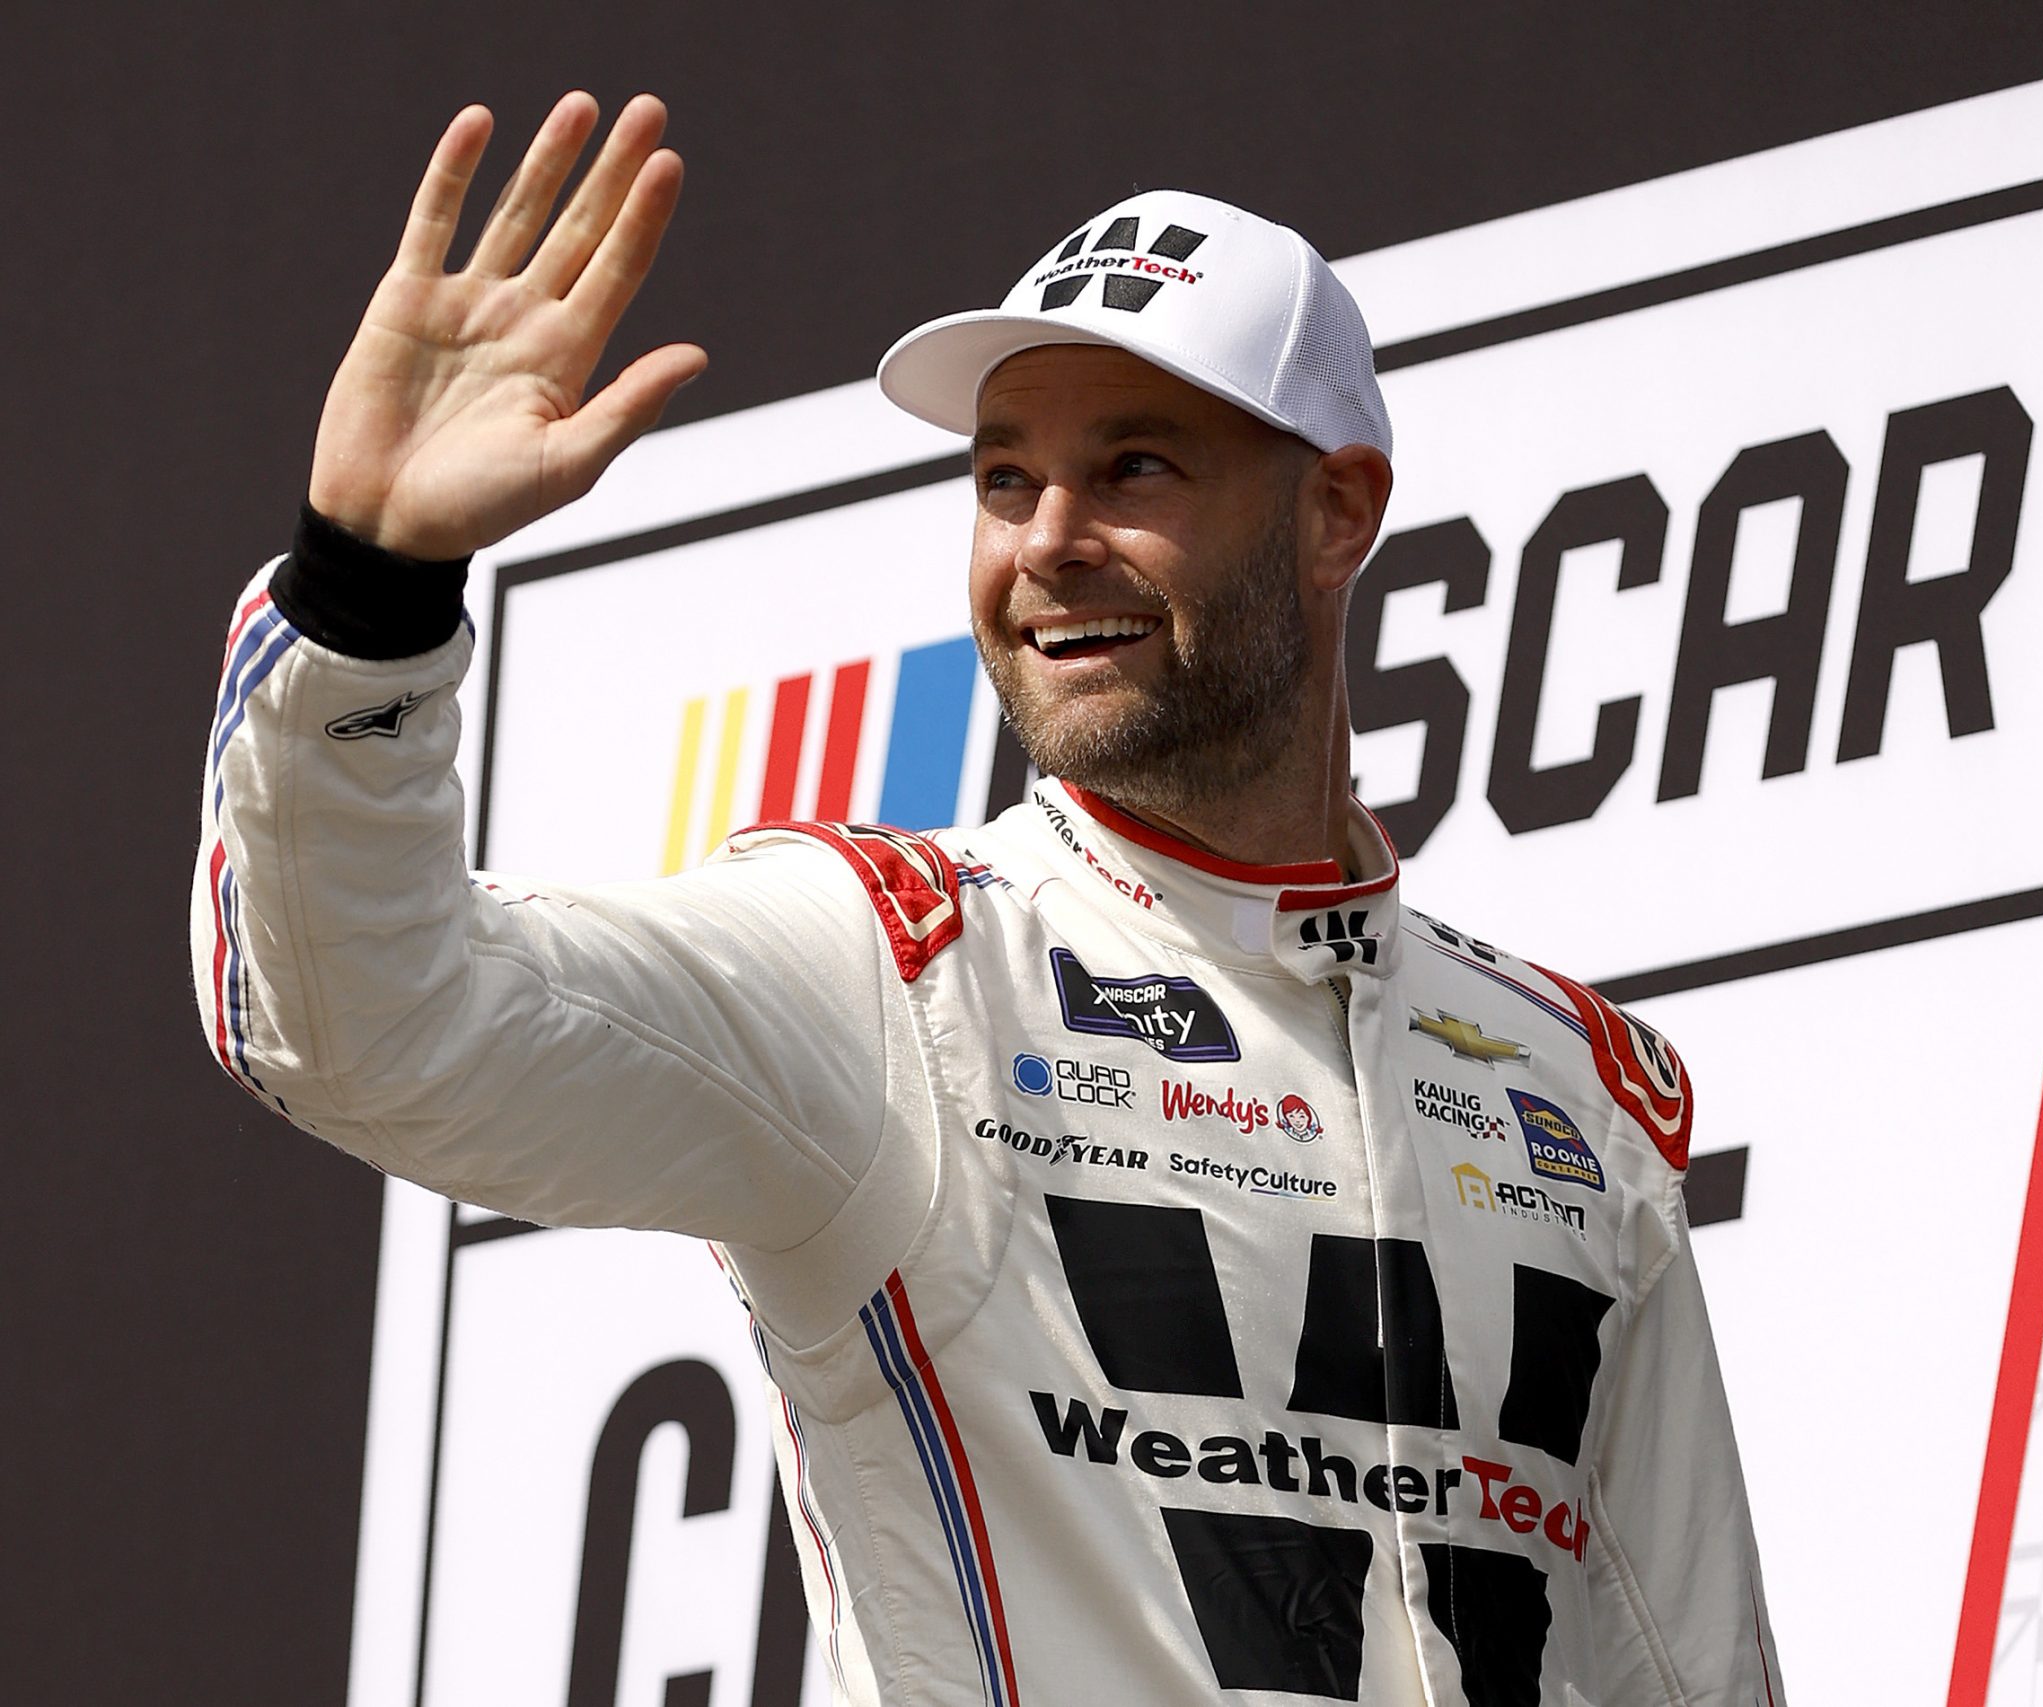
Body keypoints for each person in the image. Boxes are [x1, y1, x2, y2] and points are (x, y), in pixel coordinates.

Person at [193, 92, 1783, 1706]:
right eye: (1006, 479)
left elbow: (1696, 1673)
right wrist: (366, 592)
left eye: (1133, 465)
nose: (1049, 543)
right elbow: (369, 1028)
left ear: (1337, 511)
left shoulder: (1576, 1087)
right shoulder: (891, 967)